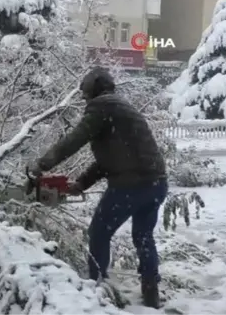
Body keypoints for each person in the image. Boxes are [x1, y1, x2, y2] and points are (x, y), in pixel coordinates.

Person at [27, 67, 167, 309]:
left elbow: (74, 140)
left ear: (92, 90)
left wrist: (42, 164)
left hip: (129, 187)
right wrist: (82, 183)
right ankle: (150, 288)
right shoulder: (124, 109)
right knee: (143, 236)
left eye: (85, 94)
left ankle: (96, 290)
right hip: (156, 184)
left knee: (99, 233)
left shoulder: (100, 107)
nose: (84, 99)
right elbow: (113, 156)